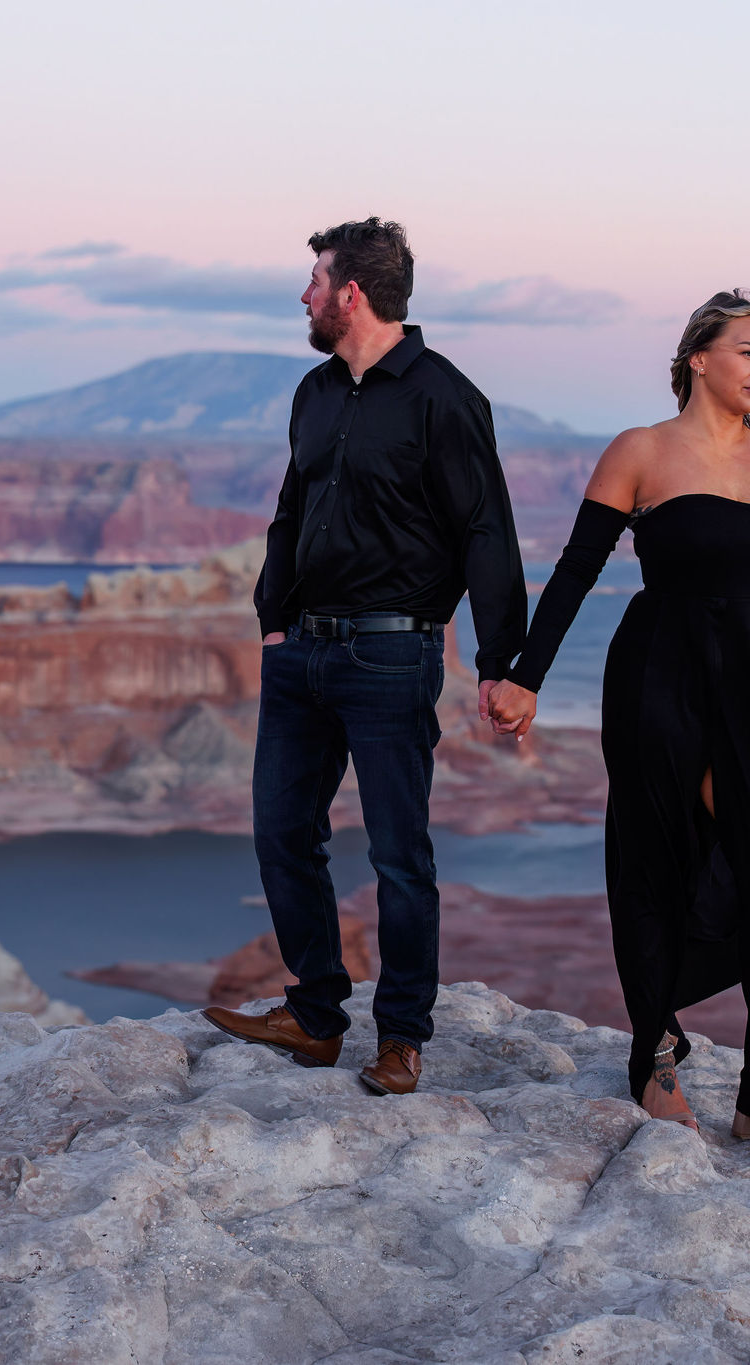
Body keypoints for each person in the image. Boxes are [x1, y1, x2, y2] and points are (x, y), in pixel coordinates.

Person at [486, 290, 750, 1163]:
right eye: (749, 354)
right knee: (655, 866)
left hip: (749, 693)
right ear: (699, 358)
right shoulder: (642, 452)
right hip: (656, 680)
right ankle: (654, 1052)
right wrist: (524, 677)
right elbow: (575, 571)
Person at [204, 218, 527, 1097]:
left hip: (392, 657)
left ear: (352, 293)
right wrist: (274, 620)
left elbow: (487, 532)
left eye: (313, 280)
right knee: (281, 832)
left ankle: (403, 1037)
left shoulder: (443, 397)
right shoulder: (313, 394)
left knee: (398, 854)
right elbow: (287, 512)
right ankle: (313, 1016)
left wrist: (506, 663)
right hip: (301, 653)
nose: (302, 296)